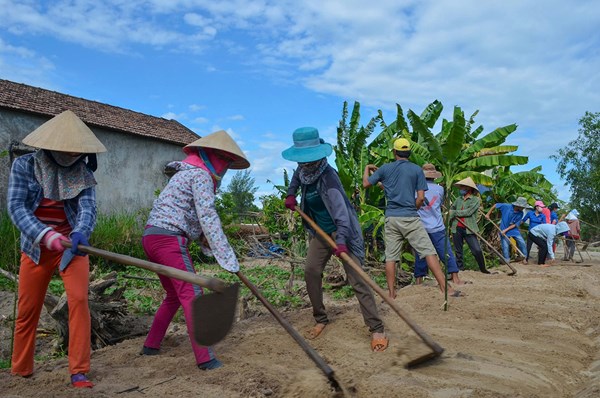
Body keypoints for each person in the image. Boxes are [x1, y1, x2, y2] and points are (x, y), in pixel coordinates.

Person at [7, 110, 106, 388]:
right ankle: (21, 367)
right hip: (37, 246)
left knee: (79, 301)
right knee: (28, 309)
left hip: (72, 248)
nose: (71, 153)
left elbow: (88, 208)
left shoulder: (83, 172)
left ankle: (79, 370)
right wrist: (44, 234)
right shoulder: (26, 166)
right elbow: (16, 207)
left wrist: (81, 232)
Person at [140, 130, 248, 370]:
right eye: (224, 163)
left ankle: (151, 345)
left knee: (173, 296)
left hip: (152, 237)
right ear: (213, 159)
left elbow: (191, 217)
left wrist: (203, 240)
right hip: (169, 240)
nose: (224, 170)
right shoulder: (200, 176)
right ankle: (205, 358)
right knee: (192, 295)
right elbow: (207, 216)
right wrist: (227, 257)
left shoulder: (184, 174)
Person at [283, 127, 388, 351]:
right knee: (311, 270)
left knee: (357, 278)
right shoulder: (303, 170)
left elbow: (342, 215)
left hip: (343, 231)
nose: (305, 163)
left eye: (308, 159)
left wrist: (341, 241)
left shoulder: (329, 178)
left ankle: (376, 327)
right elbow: (296, 178)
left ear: (319, 155)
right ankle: (320, 318)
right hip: (320, 232)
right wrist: (292, 193)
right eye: (302, 160)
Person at [363, 138, 462, 298]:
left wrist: (368, 168)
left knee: (391, 257)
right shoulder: (416, 170)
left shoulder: (385, 169)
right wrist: (411, 209)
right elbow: (421, 198)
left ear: (394, 152)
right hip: (410, 217)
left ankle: (391, 294)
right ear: (409, 152)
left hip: (391, 218)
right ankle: (445, 288)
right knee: (428, 252)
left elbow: (366, 184)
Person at [414, 164, 464, 285]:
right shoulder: (440, 189)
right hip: (437, 226)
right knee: (445, 251)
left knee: (421, 253)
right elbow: (439, 203)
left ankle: (419, 280)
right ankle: (455, 277)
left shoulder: (415, 189)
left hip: (421, 226)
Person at [449, 177, 490, 274]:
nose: (461, 189)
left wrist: (454, 212)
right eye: (461, 187)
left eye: (463, 187)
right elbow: (451, 208)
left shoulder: (475, 200)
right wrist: (451, 211)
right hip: (456, 227)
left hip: (469, 228)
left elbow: (468, 212)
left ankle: (483, 269)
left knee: (476, 250)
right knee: (458, 251)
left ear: (469, 188)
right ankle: (460, 269)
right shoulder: (458, 199)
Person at [485, 197, 530, 263]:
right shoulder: (506, 206)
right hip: (503, 229)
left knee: (522, 243)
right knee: (505, 246)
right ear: (518, 205)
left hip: (513, 230)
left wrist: (506, 230)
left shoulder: (521, 213)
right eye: (522, 207)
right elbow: (495, 205)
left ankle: (524, 258)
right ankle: (506, 259)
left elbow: (515, 224)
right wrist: (488, 214)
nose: (523, 208)